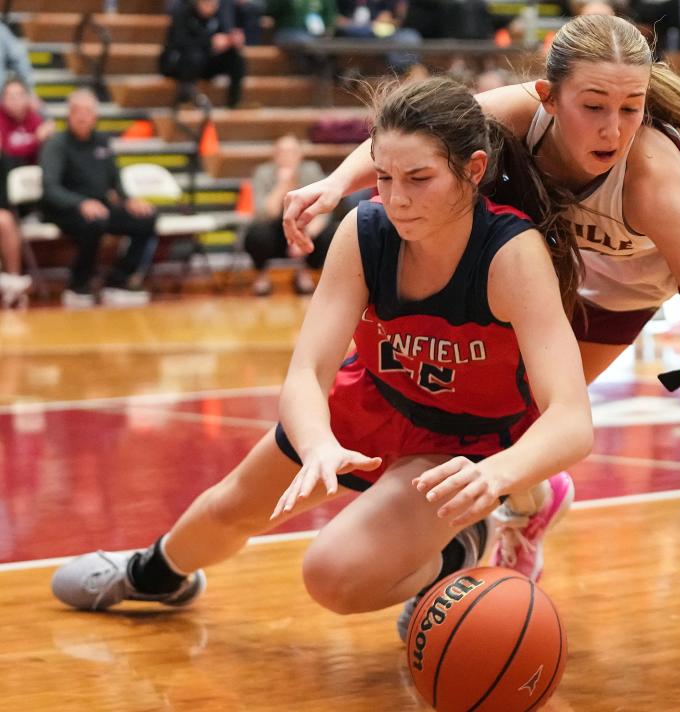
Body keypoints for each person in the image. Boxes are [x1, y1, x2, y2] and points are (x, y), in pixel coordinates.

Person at [284, 14, 680, 699]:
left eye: (631, 108)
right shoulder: (514, 117)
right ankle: (528, 507)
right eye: (593, 107)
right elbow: (416, 131)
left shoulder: (652, 176)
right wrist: (334, 186)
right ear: (547, 97)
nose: (613, 128)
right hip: (612, 260)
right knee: (529, 409)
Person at [50, 78, 594, 647]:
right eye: (384, 177)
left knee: (332, 576)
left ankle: (462, 544)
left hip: (464, 443)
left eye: (418, 178)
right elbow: (307, 373)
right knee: (231, 507)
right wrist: (316, 445)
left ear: (474, 169)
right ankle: (156, 577)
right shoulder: (367, 231)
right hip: (376, 401)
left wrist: (496, 476)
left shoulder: (511, 253)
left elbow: (571, 420)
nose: (397, 197)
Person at [39, 89, 157, 308]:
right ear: (69, 114)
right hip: (64, 209)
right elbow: (50, 188)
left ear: (95, 116)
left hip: (100, 207)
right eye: (77, 112)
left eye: (87, 112)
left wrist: (128, 200)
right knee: (95, 222)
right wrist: (80, 203)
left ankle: (118, 278)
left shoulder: (102, 142)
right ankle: (79, 283)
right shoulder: (57, 144)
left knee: (146, 218)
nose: (82, 117)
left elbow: (116, 179)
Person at [244, 134, 329, 296]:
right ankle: (262, 276)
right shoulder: (263, 172)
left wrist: (303, 236)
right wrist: (283, 185)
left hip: (305, 226)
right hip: (275, 230)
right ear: (274, 156)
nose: (286, 157)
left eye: (291, 152)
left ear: (300, 155)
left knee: (329, 233)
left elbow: (323, 211)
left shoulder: (311, 170)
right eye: (281, 152)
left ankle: (305, 273)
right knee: (256, 234)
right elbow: (264, 213)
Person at [0, 78, 53, 308]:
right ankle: (12, 278)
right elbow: (6, 153)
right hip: (4, 190)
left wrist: (42, 138)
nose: (16, 100)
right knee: (4, 220)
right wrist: (36, 140)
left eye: (20, 95)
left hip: (30, 196)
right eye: (10, 96)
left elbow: (49, 153)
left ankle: (13, 280)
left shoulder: (35, 118)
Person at [159, 0, 247, 108]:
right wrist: (209, 42)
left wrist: (231, 41)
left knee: (236, 58)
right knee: (194, 57)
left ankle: (234, 102)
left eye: (213, 4)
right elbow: (180, 42)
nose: (210, 6)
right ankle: (184, 100)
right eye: (206, 3)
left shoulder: (219, 15)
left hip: (206, 62)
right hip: (180, 63)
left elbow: (225, 35)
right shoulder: (182, 13)